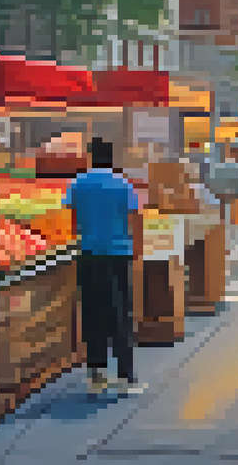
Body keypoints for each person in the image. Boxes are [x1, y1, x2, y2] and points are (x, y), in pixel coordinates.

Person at [65, 137, 144, 395]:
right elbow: (136, 218)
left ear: (90, 156)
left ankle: (96, 378)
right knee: (121, 315)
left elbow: (72, 219)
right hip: (118, 255)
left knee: (92, 314)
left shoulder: (78, 183)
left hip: (88, 255)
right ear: (112, 157)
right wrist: (138, 251)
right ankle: (125, 378)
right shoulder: (123, 184)